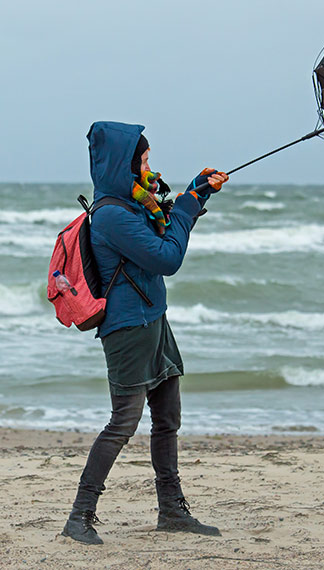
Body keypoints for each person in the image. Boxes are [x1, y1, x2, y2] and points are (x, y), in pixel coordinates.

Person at [62, 121, 228, 545]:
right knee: (123, 422)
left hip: (154, 319)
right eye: (145, 158)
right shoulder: (114, 215)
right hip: (128, 329)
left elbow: (164, 222)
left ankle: (171, 511)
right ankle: (80, 516)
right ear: (125, 162)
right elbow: (166, 257)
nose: (149, 165)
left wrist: (197, 190)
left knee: (168, 418)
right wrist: (188, 210)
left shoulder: (136, 202)